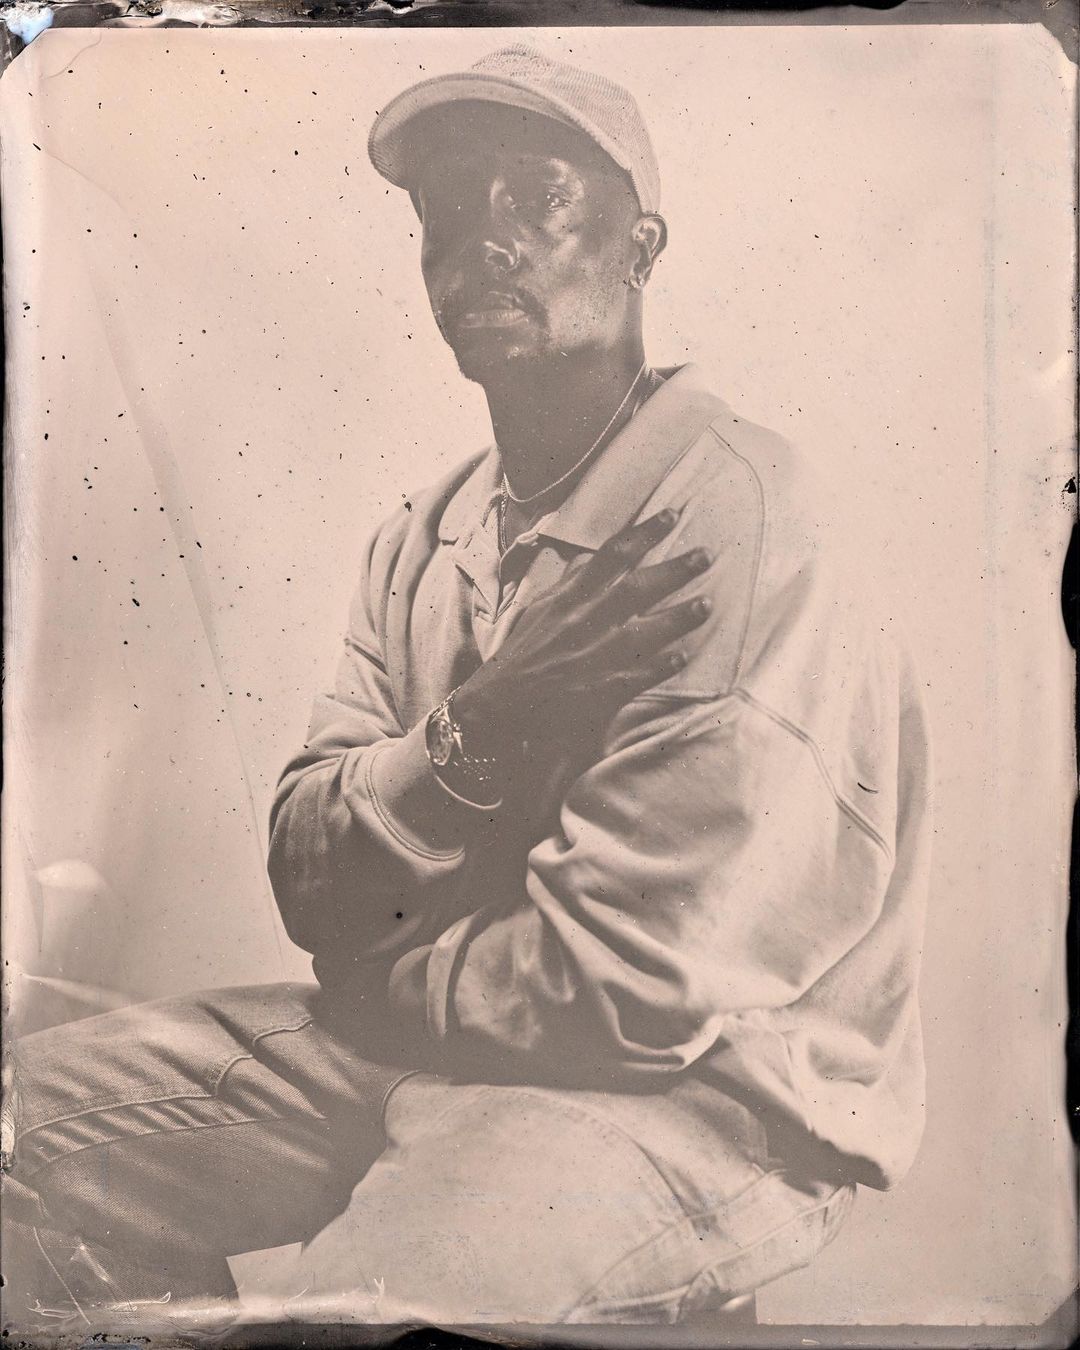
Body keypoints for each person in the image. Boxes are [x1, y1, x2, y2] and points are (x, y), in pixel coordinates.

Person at [2, 45, 932, 1332]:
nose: (481, 243)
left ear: (641, 248)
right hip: (423, 1045)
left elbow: (635, 996)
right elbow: (308, 871)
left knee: (344, 1323)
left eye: (537, 198)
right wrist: (482, 723)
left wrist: (381, 968)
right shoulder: (421, 537)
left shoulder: (737, 519)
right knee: (16, 1133)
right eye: (445, 210)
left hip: (699, 1102)